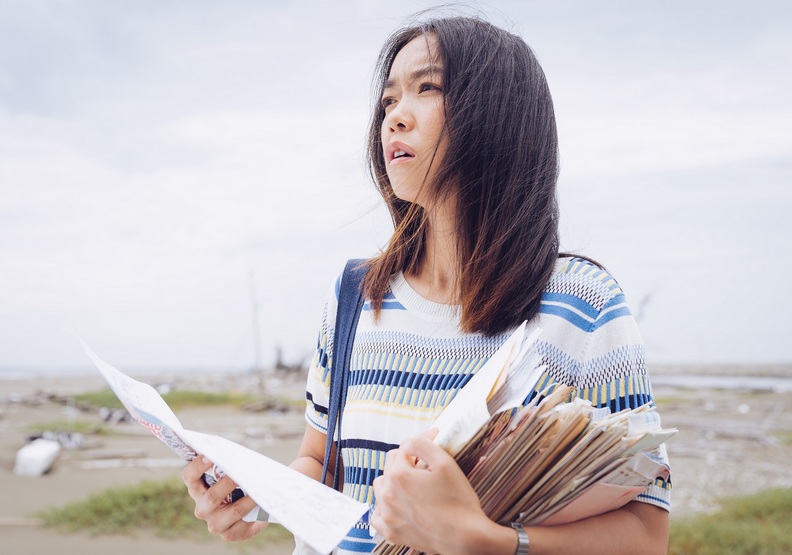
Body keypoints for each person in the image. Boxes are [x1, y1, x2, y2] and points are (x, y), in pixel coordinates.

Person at [182, 14, 671, 555]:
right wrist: (259, 496)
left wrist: (485, 541)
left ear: (499, 113)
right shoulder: (354, 295)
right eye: (389, 100)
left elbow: (646, 532)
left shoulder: (582, 304)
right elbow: (321, 461)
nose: (394, 117)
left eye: (427, 87)